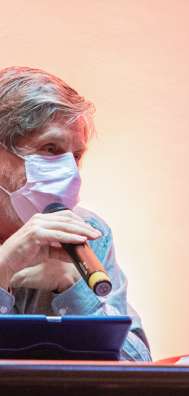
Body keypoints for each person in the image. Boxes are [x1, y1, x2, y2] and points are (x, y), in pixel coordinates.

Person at [0, 66, 151, 361]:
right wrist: (3, 268)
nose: (69, 171)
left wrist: (73, 288)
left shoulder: (88, 231)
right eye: (50, 148)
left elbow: (137, 366)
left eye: (77, 155)